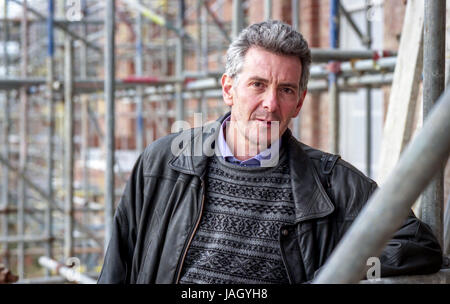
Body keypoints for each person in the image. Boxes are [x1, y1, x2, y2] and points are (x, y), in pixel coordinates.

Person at [98, 20, 442, 284]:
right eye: (258, 84)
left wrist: (335, 273)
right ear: (228, 89)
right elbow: (118, 264)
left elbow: (416, 245)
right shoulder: (163, 162)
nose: (271, 103)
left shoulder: (332, 182)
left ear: (300, 102)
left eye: (286, 90)